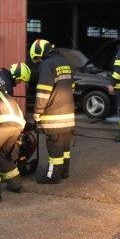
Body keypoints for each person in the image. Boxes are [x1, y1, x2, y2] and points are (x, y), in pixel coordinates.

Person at [29, 39, 75, 184]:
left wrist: (38, 110)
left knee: (54, 147)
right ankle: (64, 172)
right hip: (68, 114)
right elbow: (72, 87)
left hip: (55, 116)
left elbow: (44, 90)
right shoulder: (64, 62)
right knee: (65, 147)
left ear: (40, 53)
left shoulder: (47, 64)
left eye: (38, 58)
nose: (39, 61)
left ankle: (53, 176)